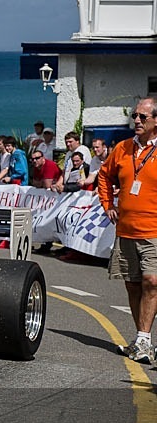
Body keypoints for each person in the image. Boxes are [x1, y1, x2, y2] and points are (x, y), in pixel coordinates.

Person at [97, 97, 157, 365]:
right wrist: (108, 203)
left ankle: (143, 339)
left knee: (152, 282)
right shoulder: (122, 148)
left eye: (143, 117)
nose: (137, 121)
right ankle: (142, 339)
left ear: (156, 121)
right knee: (132, 286)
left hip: (154, 231)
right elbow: (104, 175)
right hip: (126, 231)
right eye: (135, 116)